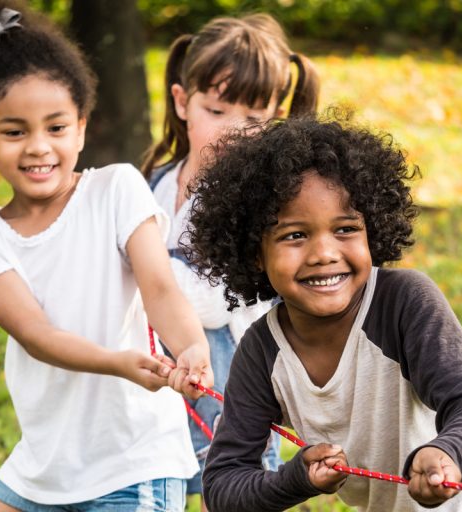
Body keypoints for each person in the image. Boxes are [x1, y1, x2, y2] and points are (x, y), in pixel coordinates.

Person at [0, 1, 212, 510]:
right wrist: (119, 362)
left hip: (131, 459)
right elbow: (37, 334)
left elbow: (160, 288)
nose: (38, 147)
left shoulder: (117, 189)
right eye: (14, 131)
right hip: (44, 466)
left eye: (56, 127)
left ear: (82, 128)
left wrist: (193, 348)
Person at [186, 115, 462, 511]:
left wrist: (448, 453)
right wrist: (294, 478)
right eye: (295, 235)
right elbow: (223, 486)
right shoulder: (263, 353)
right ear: (254, 253)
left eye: (345, 229)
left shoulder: (402, 303)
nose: (325, 253)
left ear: (372, 230)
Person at [140, 13, 320, 502]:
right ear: (182, 102)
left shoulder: (255, 198)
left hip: (232, 385)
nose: (234, 132)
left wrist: (139, 268)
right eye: (217, 111)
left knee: (237, 490)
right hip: (164, 383)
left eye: (255, 119)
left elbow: (213, 299)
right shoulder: (156, 181)